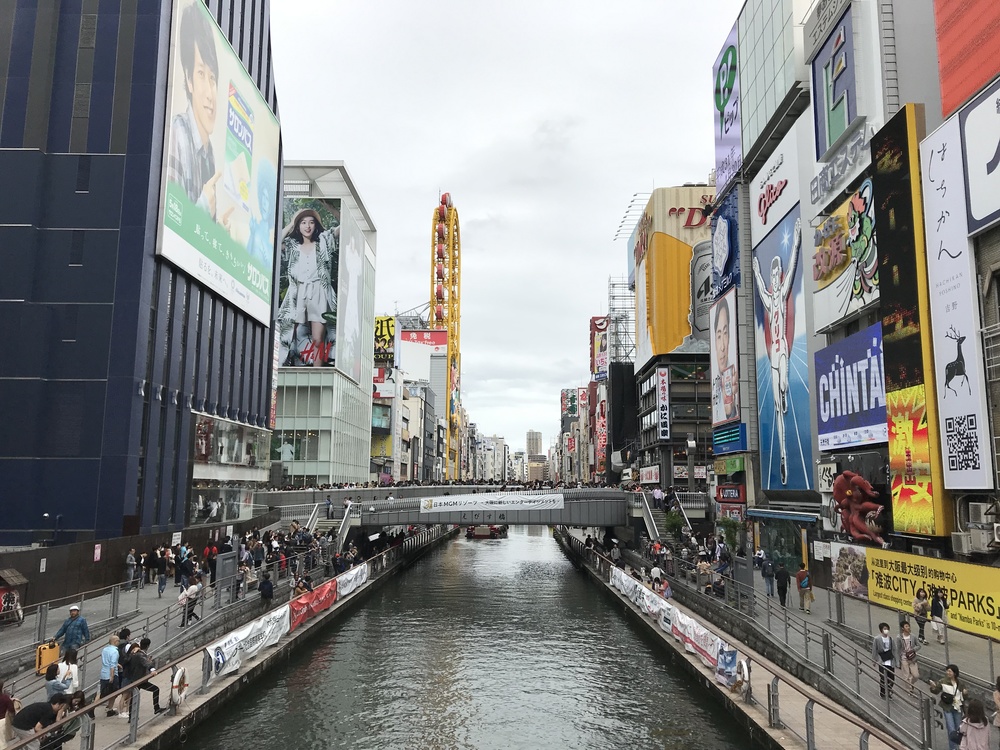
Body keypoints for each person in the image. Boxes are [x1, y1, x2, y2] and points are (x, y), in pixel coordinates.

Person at [752, 217, 801, 484]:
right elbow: (759, 286)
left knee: (782, 389)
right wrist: (756, 269)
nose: (775, 276)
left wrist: (795, 242)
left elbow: (793, 266)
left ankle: (783, 392)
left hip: (782, 351)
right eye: (772, 274)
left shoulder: (781, 296)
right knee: (775, 403)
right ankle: (783, 456)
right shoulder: (770, 301)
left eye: (776, 272)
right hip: (773, 355)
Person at [166, 0, 222, 220]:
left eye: (212, 78)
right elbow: (172, 218)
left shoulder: (210, 153)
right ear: (188, 79)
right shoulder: (177, 135)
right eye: (201, 74)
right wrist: (203, 210)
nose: (210, 93)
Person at [278, 208, 339, 368]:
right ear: (298, 226)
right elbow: (273, 241)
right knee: (291, 332)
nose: (307, 226)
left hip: (318, 290)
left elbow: (342, 227)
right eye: (303, 222)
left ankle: (316, 371)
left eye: (311, 222)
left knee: (318, 338)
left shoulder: (324, 241)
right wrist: (291, 222)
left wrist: (332, 207)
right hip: (297, 292)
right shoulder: (292, 245)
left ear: (316, 225)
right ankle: (287, 365)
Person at [712, 294, 739, 423]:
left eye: (725, 333)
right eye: (718, 336)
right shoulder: (714, 381)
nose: (722, 346)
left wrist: (731, 411)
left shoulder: (735, 378)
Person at [929, 664, 967, 750]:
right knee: (951, 729)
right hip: (947, 707)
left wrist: (965, 693)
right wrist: (933, 687)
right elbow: (936, 690)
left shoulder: (960, 683)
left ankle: (959, 747)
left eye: (950, 671)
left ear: (955, 673)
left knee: (958, 728)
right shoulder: (943, 681)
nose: (948, 673)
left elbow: (964, 697)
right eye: (947, 671)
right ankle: (953, 748)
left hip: (958, 707)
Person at [124, 638, 165, 716]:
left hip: (135, 679)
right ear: (148, 646)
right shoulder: (141, 654)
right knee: (155, 689)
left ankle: (131, 716)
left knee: (133, 697)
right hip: (139, 680)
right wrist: (152, 669)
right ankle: (156, 708)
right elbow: (145, 663)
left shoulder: (136, 653)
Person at [871, 622, 897, 699]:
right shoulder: (877, 639)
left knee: (891, 678)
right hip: (882, 660)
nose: (886, 630)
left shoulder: (891, 639)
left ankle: (888, 691)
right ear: (881, 630)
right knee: (883, 677)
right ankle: (883, 693)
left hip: (890, 660)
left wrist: (897, 661)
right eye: (884, 629)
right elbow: (874, 649)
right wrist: (874, 660)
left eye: (887, 629)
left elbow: (894, 650)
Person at [896, 620, 921, 693]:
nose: (908, 627)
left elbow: (919, 646)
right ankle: (909, 689)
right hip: (904, 658)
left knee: (916, 675)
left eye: (908, 626)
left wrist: (913, 650)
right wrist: (898, 660)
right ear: (902, 628)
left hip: (912, 658)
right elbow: (898, 649)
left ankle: (911, 683)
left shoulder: (913, 636)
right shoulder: (899, 637)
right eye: (906, 626)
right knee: (906, 675)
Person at [99, 635, 120, 717]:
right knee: (113, 692)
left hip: (103, 673)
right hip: (111, 674)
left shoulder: (105, 649)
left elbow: (107, 661)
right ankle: (109, 708)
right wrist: (112, 676)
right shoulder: (115, 651)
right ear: (115, 642)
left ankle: (109, 709)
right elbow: (112, 665)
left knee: (103, 692)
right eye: (118, 641)